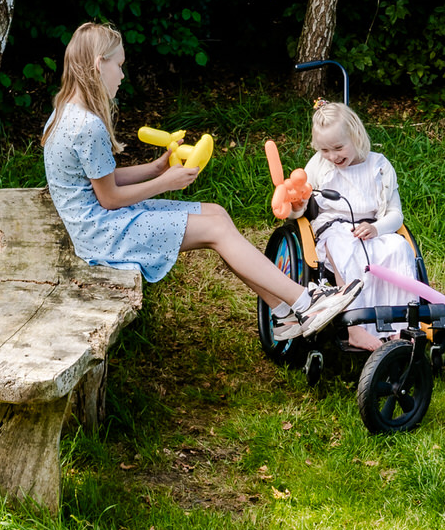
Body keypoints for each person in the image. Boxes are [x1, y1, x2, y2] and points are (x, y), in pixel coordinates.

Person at [42, 22, 360, 341]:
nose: (122, 76)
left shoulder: (65, 112)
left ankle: (284, 314)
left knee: (217, 214)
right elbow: (109, 198)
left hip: (96, 224)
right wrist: (166, 182)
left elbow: (102, 180)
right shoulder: (88, 126)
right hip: (102, 233)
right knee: (216, 230)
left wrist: (155, 169)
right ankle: (306, 302)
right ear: (99, 64)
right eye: (119, 66)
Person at [292, 101, 418, 352]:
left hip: (371, 227)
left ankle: (399, 325)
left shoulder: (379, 166)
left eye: (339, 148)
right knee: (344, 247)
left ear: (356, 136)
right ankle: (355, 327)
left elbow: (395, 214)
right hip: (333, 227)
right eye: (325, 150)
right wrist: (294, 205)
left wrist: (377, 228)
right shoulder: (318, 165)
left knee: (398, 248)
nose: (332, 156)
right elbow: (301, 206)